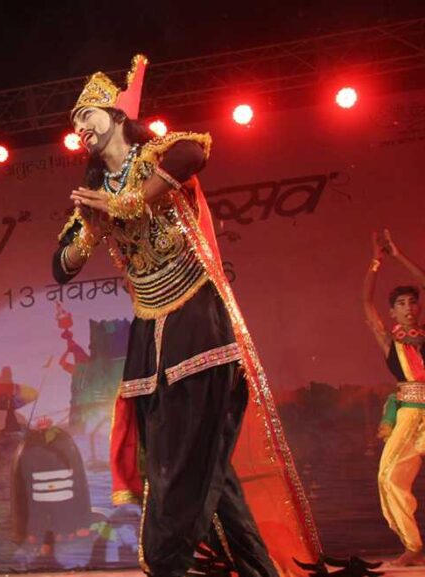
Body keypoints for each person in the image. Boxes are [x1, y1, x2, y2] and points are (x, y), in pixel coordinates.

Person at [51, 55, 317, 575]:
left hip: (197, 320)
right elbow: (62, 266)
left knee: (182, 467)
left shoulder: (158, 155)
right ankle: (258, 569)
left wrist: (127, 205)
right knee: (193, 470)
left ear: (115, 113)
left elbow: (197, 153)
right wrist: (92, 231)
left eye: (87, 114)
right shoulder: (92, 197)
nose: (79, 126)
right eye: (74, 122)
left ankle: (165, 562)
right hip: (148, 335)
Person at [364, 229, 425, 566]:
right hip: (409, 414)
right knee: (389, 477)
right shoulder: (391, 344)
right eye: (401, 303)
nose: (409, 307)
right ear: (392, 313)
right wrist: (377, 260)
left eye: (413, 301)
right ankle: (413, 546)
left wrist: (399, 254)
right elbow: (365, 304)